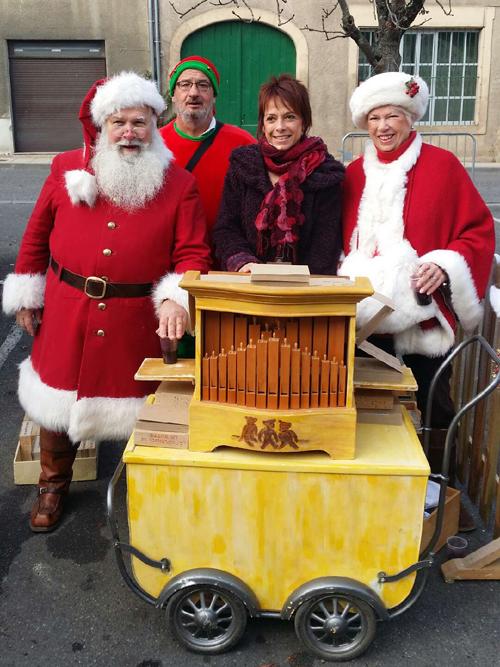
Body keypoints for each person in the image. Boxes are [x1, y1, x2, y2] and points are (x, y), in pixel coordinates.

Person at [2, 71, 211, 532]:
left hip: (134, 318)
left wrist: (176, 297)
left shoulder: (178, 183)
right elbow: (37, 235)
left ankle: (148, 488)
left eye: (140, 122)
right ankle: (53, 484)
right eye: (119, 122)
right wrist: (27, 292)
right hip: (66, 305)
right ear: (102, 126)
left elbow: (193, 251)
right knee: (55, 401)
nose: (130, 133)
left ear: (156, 123)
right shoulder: (64, 169)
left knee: (142, 406)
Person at [340, 72, 494, 517]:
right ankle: (375, 500)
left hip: (421, 320)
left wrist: (442, 265)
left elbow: (477, 232)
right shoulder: (352, 174)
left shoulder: (443, 166)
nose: (383, 126)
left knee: (431, 406)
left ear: (410, 118)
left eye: (393, 116)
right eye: (374, 117)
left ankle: (442, 500)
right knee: (367, 409)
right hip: (361, 320)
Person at [212, 74, 344, 274]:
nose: (280, 127)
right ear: (263, 125)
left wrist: (293, 286)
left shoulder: (325, 173)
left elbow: (326, 244)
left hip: (306, 293)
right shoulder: (243, 166)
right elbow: (226, 228)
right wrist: (242, 261)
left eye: (289, 117)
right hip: (248, 288)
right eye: (271, 118)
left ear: (304, 122)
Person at [160, 55, 255, 237]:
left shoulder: (243, 144)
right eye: (185, 84)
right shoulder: (154, 144)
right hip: (173, 260)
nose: (194, 93)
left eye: (203, 85)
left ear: (214, 95)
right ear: (173, 95)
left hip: (228, 259)